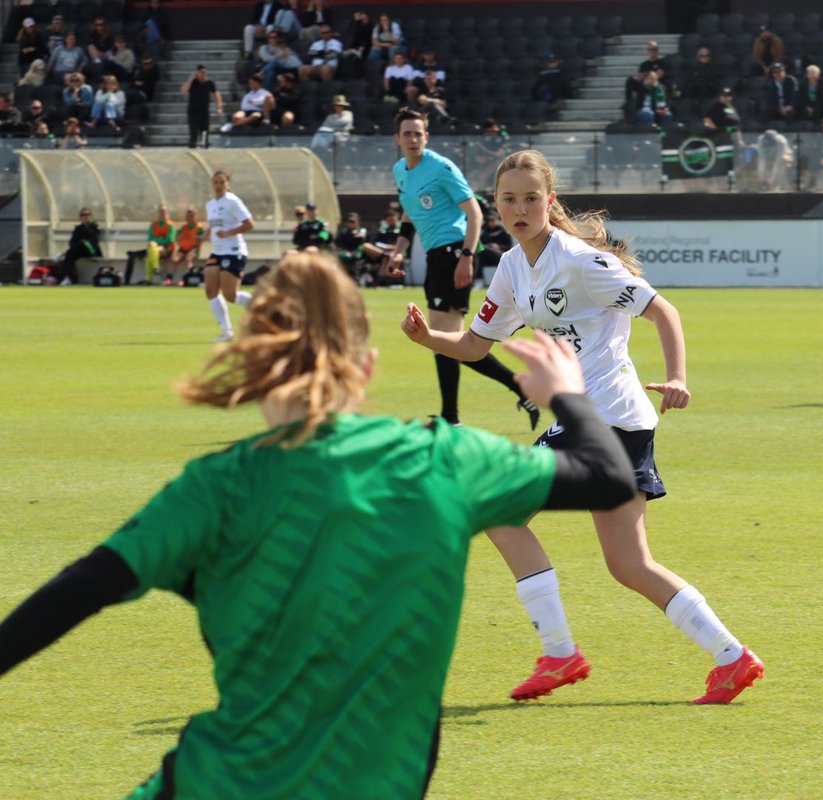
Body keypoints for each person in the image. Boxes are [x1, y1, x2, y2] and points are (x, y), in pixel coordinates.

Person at [0, 251, 637, 799]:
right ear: (366, 365)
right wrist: (567, 394)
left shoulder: (215, 488)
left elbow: (76, 592)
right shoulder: (444, 461)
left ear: (254, 365)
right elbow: (607, 476)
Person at [401, 149, 765, 704]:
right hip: (609, 422)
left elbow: (662, 310)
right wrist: (430, 338)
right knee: (628, 563)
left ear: (550, 202)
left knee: (497, 510)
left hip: (606, 417)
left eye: (530, 198)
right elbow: (476, 344)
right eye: (508, 199)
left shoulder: (578, 260)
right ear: (495, 204)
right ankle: (732, 658)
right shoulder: (514, 268)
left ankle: (560, 653)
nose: (519, 209)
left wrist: (677, 376)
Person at [383, 108, 539, 429]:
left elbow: (475, 213)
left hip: (455, 252)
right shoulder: (401, 170)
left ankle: (452, 418)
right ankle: (513, 390)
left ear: (426, 137)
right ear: (397, 139)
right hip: (435, 257)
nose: (413, 139)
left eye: (418, 133)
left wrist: (467, 256)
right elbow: (409, 215)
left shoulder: (441, 168)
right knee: (446, 339)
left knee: (443, 339)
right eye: (407, 134)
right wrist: (398, 253)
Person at [203, 171, 255, 342]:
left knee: (230, 295)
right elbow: (214, 225)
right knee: (210, 290)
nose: (218, 186)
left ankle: (261, 303)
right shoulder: (210, 204)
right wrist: (204, 236)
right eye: (215, 182)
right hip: (217, 252)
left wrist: (229, 233)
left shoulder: (232, 201)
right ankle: (227, 332)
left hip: (233, 250)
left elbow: (249, 224)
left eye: (221, 182)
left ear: (228, 185)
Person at [125, 204, 176, 285]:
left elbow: (169, 240)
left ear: (167, 213)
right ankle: (155, 268)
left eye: (164, 212)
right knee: (151, 250)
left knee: (152, 248)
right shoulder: (154, 224)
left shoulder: (170, 225)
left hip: (167, 249)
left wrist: (157, 241)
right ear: (158, 213)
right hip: (154, 249)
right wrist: (158, 241)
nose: (162, 214)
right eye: (160, 212)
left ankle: (149, 277)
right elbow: (150, 238)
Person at [54, 207, 101, 285]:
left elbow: (94, 241)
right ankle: (69, 278)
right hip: (79, 251)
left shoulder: (95, 227)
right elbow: (72, 241)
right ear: (80, 217)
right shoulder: (78, 228)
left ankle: (69, 277)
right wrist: (79, 243)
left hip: (91, 250)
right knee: (70, 255)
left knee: (71, 252)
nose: (85, 216)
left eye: (87, 214)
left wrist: (83, 242)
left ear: (91, 216)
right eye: (83, 215)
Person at [182, 65, 223, 148]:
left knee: (205, 133)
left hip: (204, 112)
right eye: (200, 72)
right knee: (193, 133)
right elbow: (183, 90)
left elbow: (216, 94)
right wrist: (190, 79)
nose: (202, 74)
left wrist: (219, 107)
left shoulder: (209, 82)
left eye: (204, 72)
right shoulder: (193, 82)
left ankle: (205, 148)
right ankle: (192, 148)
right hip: (193, 112)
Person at [170, 206, 205, 276]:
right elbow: (176, 237)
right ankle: (169, 278)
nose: (190, 218)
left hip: (193, 249)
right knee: (175, 259)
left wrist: (198, 239)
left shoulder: (199, 228)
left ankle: (189, 276)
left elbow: (202, 239)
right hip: (183, 249)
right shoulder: (183, 228)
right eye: (188, 216)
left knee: (188, 259)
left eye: (192, 216)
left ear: (195, 217)